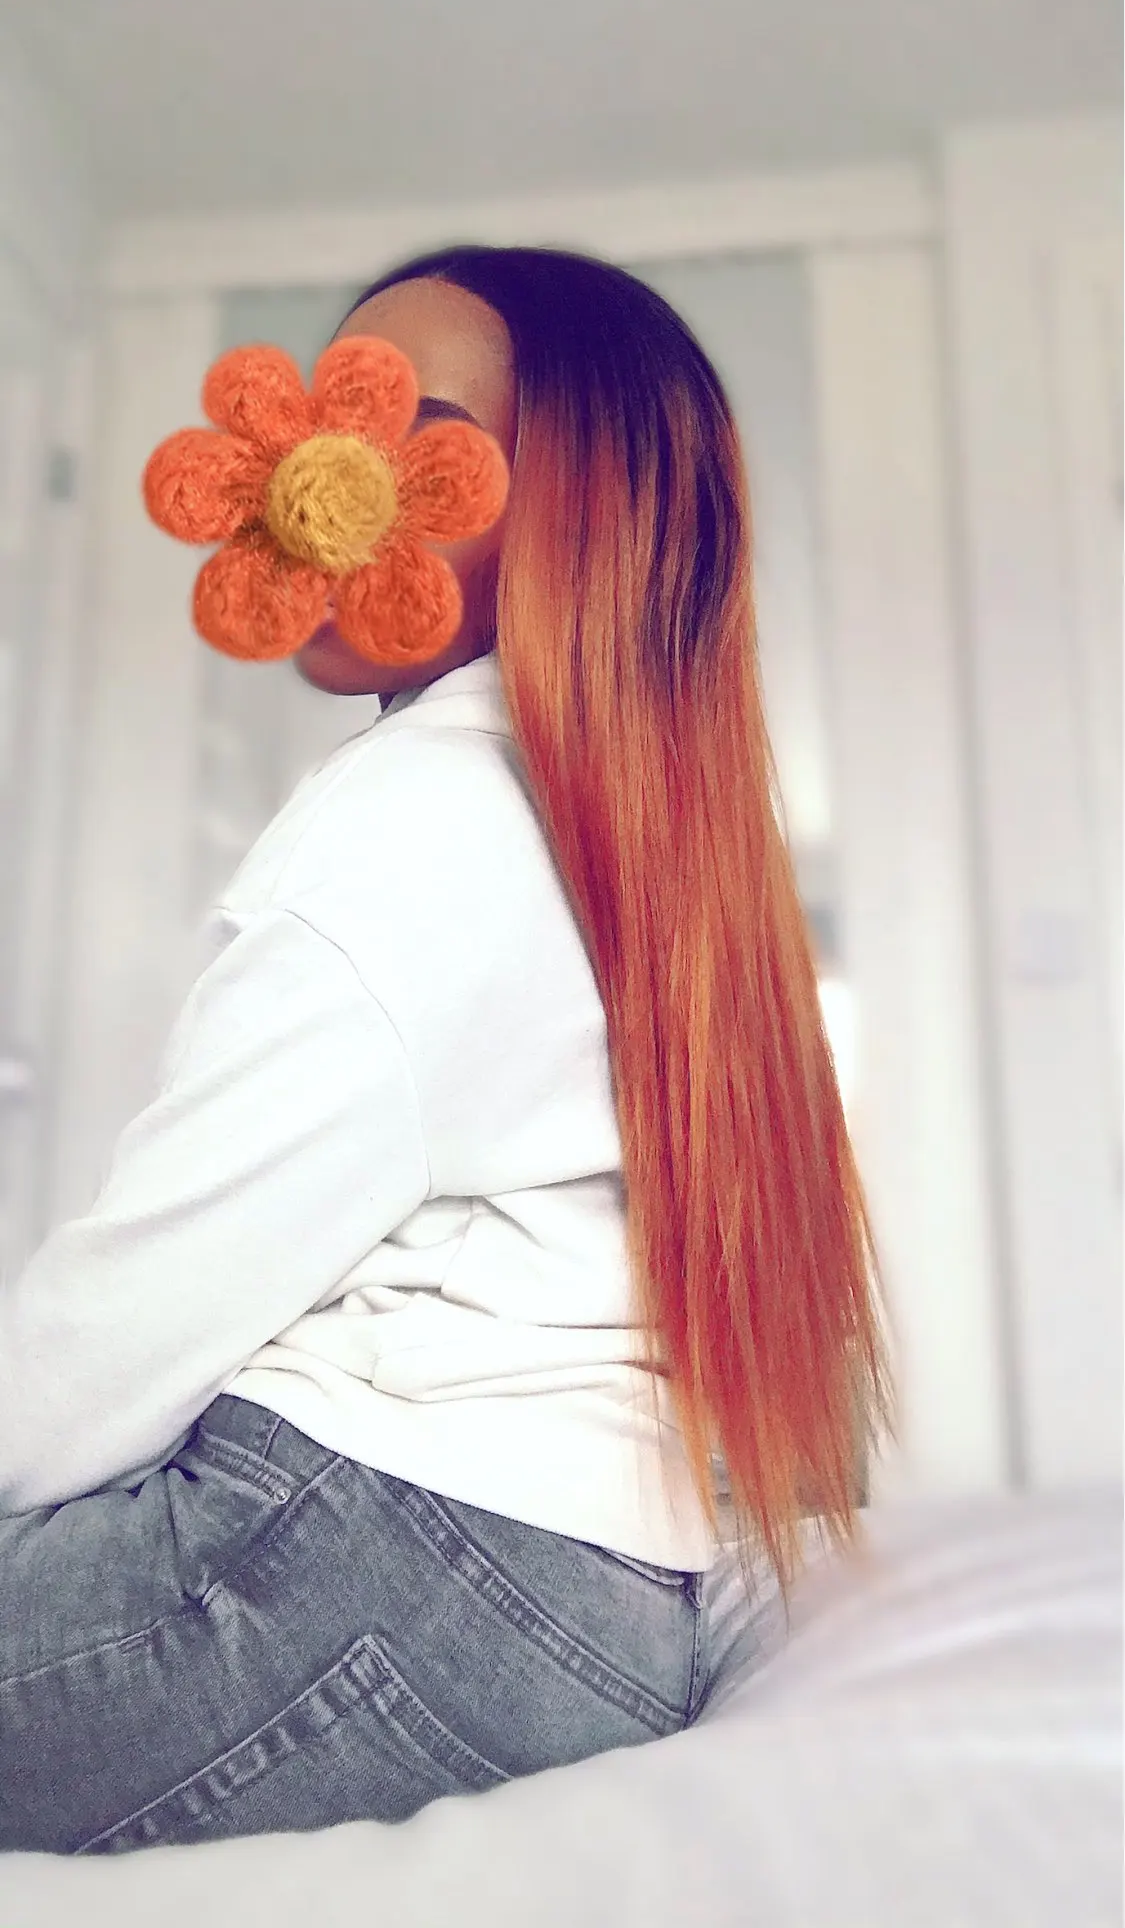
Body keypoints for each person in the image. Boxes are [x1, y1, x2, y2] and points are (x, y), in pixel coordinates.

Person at [0, 246, 891, 1856]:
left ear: (581, 510)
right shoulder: (628, 832)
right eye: (329, 414)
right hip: (582, 1604)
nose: (327, 479)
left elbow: (133, 1319)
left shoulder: (417, 819)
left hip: (384, 1559)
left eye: (421, 433)